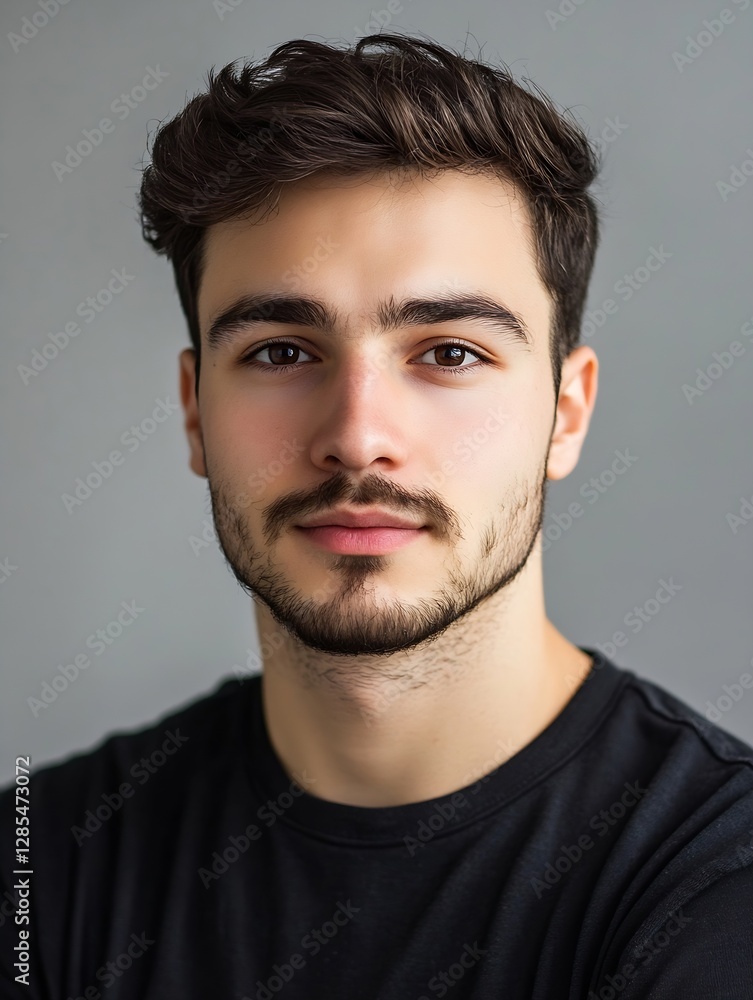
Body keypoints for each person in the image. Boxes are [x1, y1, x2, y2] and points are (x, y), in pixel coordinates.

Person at [2, 32, 752, 999]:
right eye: (280, 351)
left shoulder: (714, 887)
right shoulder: (47, 869)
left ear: (565, 414)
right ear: (196, 412)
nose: (357, 438)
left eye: (448, 353)